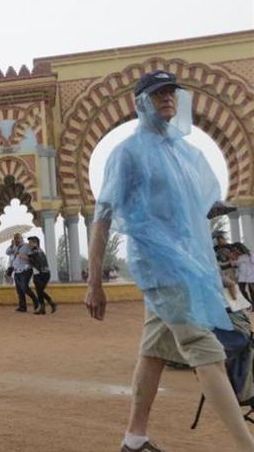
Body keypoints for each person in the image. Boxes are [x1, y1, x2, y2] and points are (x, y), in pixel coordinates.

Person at [85, 70, 254, 451]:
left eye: (171, 93)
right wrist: (94, 282)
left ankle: (134, 437)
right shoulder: (127, 154)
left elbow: (192, 211)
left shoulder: (184, 153)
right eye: (158, 93)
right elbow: (103, 216)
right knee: (206, 352)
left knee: (155, 349)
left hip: (190, 266)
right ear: (141, 102)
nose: (167, 99)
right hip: (160, 267)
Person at [6, 233, 39, 313]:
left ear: (21, 238)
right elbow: (7, 252)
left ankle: (36, 301)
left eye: (18, 238)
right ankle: (22, 307)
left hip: (26, 270)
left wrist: (23, 256)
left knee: (24, 287)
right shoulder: (14, 247)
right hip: (17, 270)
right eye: (15, 238)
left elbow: (32, 256)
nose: (16, 240)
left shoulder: (26, 246)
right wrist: (11, 246)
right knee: (19, 289)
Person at [27, 236, 56, 315]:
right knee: (40, 291)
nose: (29, 244)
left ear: (35, 243)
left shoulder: (36, 251)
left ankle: (49, 304)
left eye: (31, 242)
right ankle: (45, 306)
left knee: (39, 291)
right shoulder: (37, 251)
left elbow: (34, 261)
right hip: (42, 274)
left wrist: (26, 257)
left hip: (42, 274)